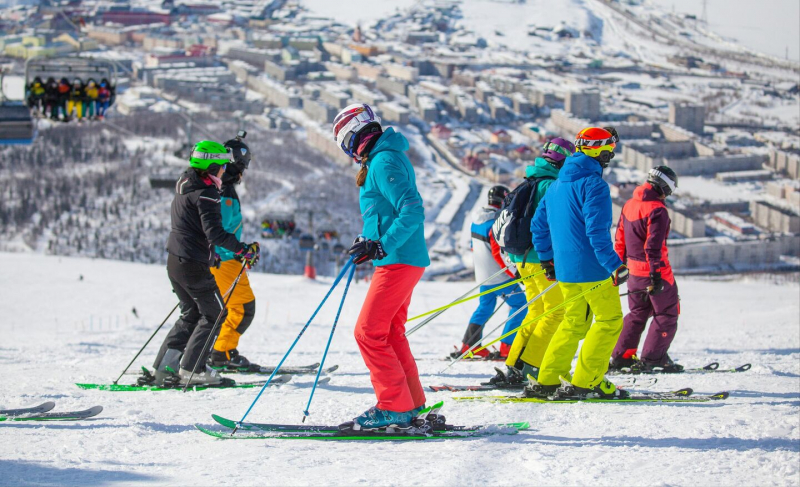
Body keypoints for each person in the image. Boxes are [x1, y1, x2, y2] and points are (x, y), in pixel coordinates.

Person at [333, 103, 429, 430]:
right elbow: (384, 212)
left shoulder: (384, 160)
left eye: (345, 144)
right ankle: (411, 402)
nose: (349, 152)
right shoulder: (383, 157)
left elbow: (412, 210)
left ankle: (394, 405)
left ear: (352, 137)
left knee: (368, 332)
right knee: (389, 332)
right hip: (400, 257)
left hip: (398, 259)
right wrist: (368, 241)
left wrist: (383, 244)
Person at [528, 126, 630, 399]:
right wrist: (614, 264)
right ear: (598, 150)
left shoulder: (557, 185)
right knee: (609, 320)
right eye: (610, 148)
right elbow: (596, 232)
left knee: (574, 322)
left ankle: (547, 379)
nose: (611, 154)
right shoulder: (594, 184)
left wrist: (548, 261)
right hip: (593, 269)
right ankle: (587, 381)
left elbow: (538, 227)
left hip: (565, 270)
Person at [148, 140, 260, 387]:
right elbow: (215, 234)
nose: (224, 171)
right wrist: (242, 250)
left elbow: (194, 228)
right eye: (221, 166)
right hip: (193, 264)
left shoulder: (185, 184)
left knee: (191, 315)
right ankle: (193, 369)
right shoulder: (207, 194)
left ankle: (165, 368)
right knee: (214, 314)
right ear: (211, 166)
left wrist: (215, 253)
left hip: (175, 261)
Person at [489, 138, 574, 386]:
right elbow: (556, 225)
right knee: (555, 312)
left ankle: (515, 363)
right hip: (541, 258)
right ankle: (533, 366)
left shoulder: (530, 181)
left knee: (536, 312)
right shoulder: (550, 186)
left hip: (522, 258)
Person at [610, 166, 683, 373]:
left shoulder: (630, 204)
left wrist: (619, 267)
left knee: (638, 312)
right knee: (667, 314)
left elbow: (620, 239)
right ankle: (653, 358)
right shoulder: (657, 209)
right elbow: (653, 247)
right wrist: (656, 277)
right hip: (655, 271)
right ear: (665, 188)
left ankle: (622, 356)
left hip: (633, 271)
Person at [454, 185, 526, 360]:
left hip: (482, 275)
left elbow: (473, 247)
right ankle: (507, 346)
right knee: (520, 305)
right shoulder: (496, 222)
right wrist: (514, 272)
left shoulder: (476, 220)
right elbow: (498, 252)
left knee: (485, 306)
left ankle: (469, 344)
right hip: (498, 275)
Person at [208, 134, 260, 371]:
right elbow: (218, 232)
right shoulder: (225, 192)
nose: (243, 174)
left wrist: (240, 251)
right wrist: (240, 251)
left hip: (224, 258)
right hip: (223, 261)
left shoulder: (218, 188)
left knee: (229, 309)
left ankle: (220, 349)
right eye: (242, 167)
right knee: (243, 308)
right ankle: (222, 353)